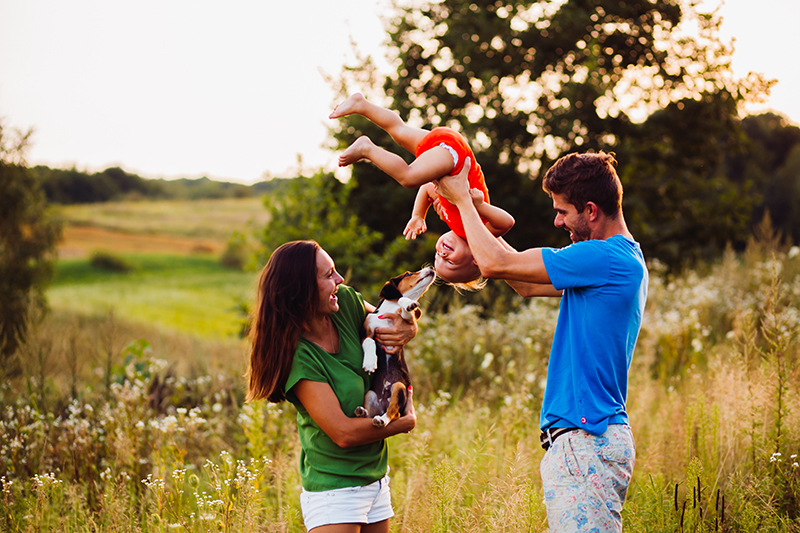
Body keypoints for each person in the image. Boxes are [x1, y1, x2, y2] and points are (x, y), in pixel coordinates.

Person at [436, 152, 648, 532]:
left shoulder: (603, 257)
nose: (557, 221)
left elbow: (498, 266)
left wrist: (464, 202)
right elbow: (522, 282)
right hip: (582, 443)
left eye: (563, 212)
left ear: (591, 210)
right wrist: (476, 224)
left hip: (587, 441)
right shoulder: (616, 259)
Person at [246, 240, 418, 533]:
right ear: (302, 290)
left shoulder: (346, 304)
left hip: (376, 479)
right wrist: (406, 422)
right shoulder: (300, 356)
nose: (340, 280)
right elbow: (343, 433)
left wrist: (412, 325)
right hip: (335, 490)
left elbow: (390, 321)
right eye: (329, 275)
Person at [330, 93, 514, 289]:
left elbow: (427, 187)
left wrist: (419, 215)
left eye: (437, 258)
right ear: (476, 259)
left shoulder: (453, 219)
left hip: (447, 148)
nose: (441, 255)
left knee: (399, 131)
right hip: (455, 157)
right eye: (450, 262)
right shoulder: (479, 231)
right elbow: (506, 222)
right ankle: (367, 148)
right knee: (408, 178)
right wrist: (479, 206)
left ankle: (362, 105)